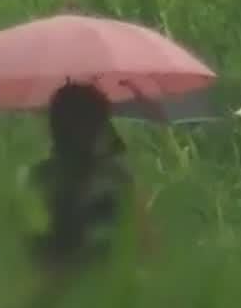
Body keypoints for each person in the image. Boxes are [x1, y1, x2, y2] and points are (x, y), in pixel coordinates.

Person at [27, 82, 152, 287]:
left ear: (53, 128)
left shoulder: (40, 178)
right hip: (108, 293)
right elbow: (144, 244)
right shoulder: (116, 177)